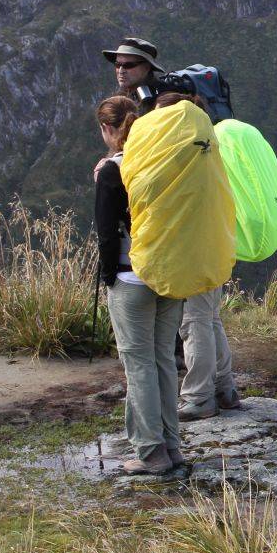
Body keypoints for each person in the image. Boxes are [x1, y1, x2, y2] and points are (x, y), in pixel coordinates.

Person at [95, 94, 183, 475]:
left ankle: (150, 452)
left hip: (131, 275)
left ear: (108, 130)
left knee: (139, 363)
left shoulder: (113, 170)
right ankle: (172, 445)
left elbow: (105, 233)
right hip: (170, 273)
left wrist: (107, 275)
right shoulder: (167, 162)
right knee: (164, 359)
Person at [154, 92, 242, 421]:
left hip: (193, 250)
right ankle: (225, 388)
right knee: (210, 318)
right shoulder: (208, 151)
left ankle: (198, 396)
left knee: (194, 323)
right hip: (216, 246)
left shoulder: (184, 158)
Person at [101, 36, 164, 113]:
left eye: (128, 65)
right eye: (117, 64)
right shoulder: (118, 102)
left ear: (146, 68)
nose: (121, 71)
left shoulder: (163, 100)